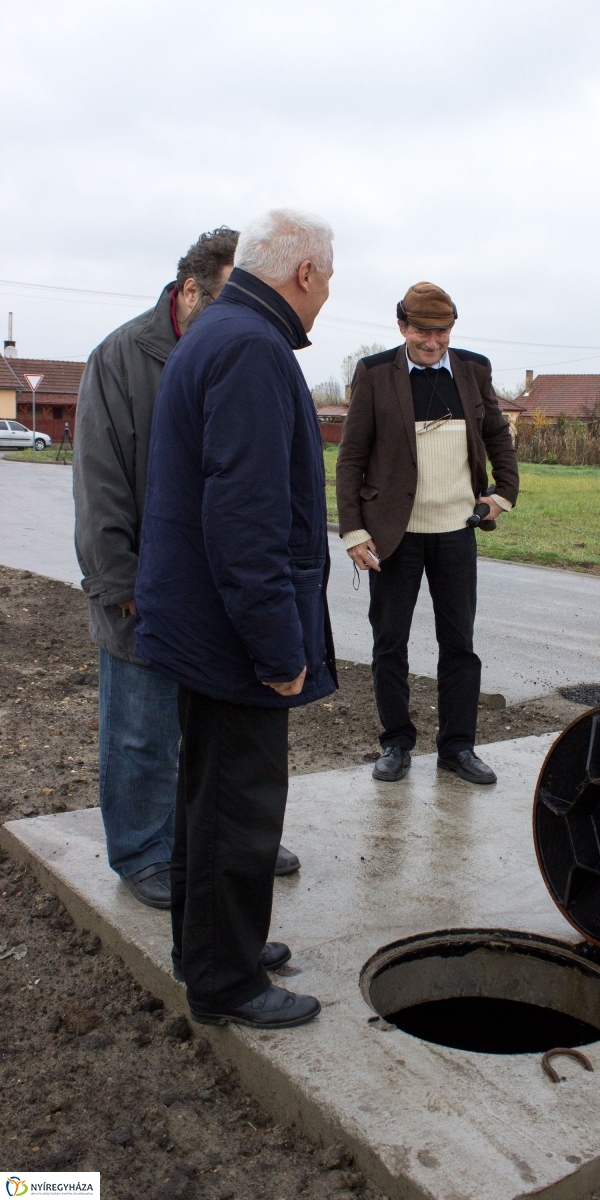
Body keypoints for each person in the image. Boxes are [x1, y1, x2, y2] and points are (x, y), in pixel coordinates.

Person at [134, 208, 335, 1029]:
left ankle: (209, 948)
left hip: (200, 626)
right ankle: (227, 984)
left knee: (205, 798)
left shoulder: (216, 331)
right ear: (306, 275)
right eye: (329, 282)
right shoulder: (253, 348)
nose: (325, 300)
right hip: (232, 636)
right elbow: (246, 519)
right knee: (239, 809)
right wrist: (278, 647)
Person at [336, 282, 519, 785]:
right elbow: (351, 455)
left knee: (459, 644)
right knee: (389, 643)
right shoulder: (375, 374)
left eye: (441, 331)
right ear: (402, 327)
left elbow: (497, 435)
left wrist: (502, 496)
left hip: (457, 532)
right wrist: (352, 529)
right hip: (394, 537)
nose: (432, 341)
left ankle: (457, 748)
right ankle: (395, 743)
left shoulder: (473, 369)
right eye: (422, 330)